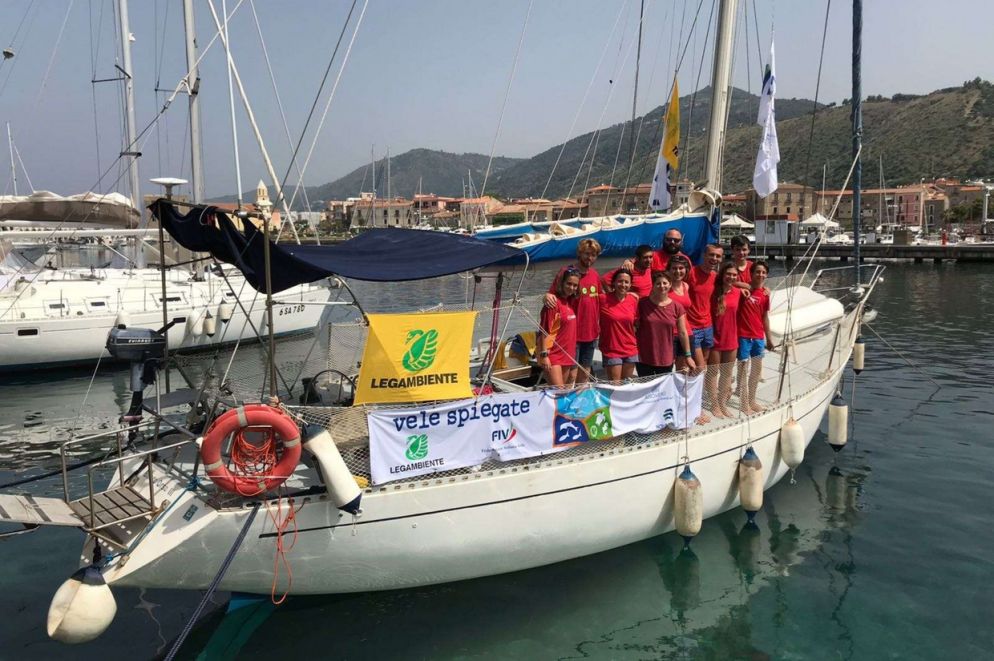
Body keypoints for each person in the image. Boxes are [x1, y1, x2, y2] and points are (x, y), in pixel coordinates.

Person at [545, 238, 602, 383]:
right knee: (571, 374)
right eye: (587, 254)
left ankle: (580, 402)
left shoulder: (595, 275)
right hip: (572, 334)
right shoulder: (567, 272)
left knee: (585, 372)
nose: (590, 258)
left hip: (591, 333)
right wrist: (546, 296)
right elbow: (553, 294)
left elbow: (601, 297)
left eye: (593, 255)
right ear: (580, 253)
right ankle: (568, 401)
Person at [709, 260, 750, 417]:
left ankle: (722, 403)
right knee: (713, 373)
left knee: (727, 373)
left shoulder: (739, 293)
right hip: (714, 338)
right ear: (722, 275)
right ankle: (714, 405)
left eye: (734, 275)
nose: (731, 277)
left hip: (731, 338)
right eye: (728, 274)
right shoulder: (713, 291)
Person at [636, 270, 694, 377]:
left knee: (662, 391)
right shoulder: (642, 303)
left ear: (670, 284)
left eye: (665, 283)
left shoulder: (677, 307)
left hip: (665, 357)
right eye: (658, 283)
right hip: (643, 357)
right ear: (653, 285)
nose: (661, 286)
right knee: (646, 391)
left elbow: (682, 332)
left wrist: (688, 355)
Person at [737, 260, 776, 414]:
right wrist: (743, 285)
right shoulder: (743, 290)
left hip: (758, 337)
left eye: (763, 273)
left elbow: (765, 317)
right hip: (743, 336)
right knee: (743, 370)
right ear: (751, 274)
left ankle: (752, 399)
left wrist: (769, 339)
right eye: (757, 272)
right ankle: (743, 402)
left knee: (756, 371)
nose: (760, 275)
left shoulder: (765, 295)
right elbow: (729, 282)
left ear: (766, 275)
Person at [538, 268, 580, 387]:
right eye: (569, 284)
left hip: (567, 354)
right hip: (553, 355)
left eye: (575, 285)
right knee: (559, 392)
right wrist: (544, 355)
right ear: (562, 283)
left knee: (564, 393)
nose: (571, 288)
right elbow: (543, 331)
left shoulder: (570, 301)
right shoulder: (553, 303)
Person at [598, 269, 640, 382]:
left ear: (631, 284)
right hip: (612, 349)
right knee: (615, 387)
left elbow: (637, 323)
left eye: (627, 282)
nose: (623, 284)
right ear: (614, 283)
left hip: (630, 348)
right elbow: (583, 301)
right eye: (620, 281)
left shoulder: (634, 300)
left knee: (627, 385)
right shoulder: (602, 299)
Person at [665, 255, 694, 371]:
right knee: (667, 370)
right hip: (669, 335)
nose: (678, 271)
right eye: (674, 268)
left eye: (681, 268)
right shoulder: (664, 287)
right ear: (669, 270)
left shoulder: (686, 286)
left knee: (683, 370)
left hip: (685, 333)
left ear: (686, 270)